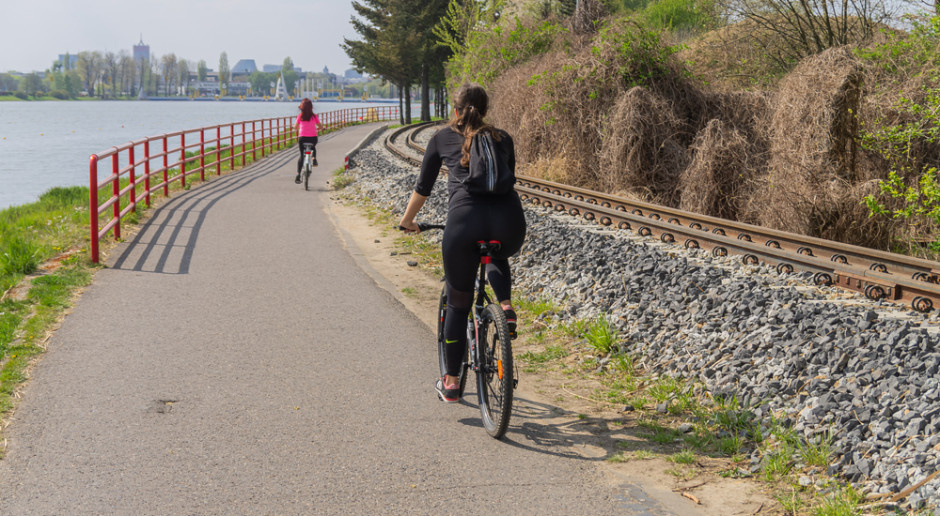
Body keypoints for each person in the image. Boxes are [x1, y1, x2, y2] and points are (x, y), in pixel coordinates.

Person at [399, 84, 527, 403]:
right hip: (510, 223)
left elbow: (423, 188)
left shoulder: (442, 138)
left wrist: (407, 222)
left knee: (458, 302)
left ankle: (452, 382)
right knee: (495, 248)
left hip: (463, 225)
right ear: (485, 111)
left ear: (455, 111)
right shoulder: (504, 138)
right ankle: (506, 307)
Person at [294, 98, 323, 183]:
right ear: (311, 107)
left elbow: (296, 127)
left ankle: (298, 174)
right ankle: (314, 159)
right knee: (313, 147)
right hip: (313, 138)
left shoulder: (300, 116)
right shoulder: (314, 116)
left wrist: (294, 127)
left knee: (301, 155)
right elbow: (320, 126)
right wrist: (321, 128)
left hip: (302, 138)